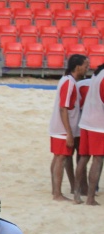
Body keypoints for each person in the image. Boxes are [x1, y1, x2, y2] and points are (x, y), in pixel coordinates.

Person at [48, 55, 89, 201]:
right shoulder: (69, 83)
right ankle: (57, 193)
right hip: (62, 128)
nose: (87, 68)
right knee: (61, 158)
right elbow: (63, 109)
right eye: (85, 65)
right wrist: (69, 133)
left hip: (59, 127)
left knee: (58, 158)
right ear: (77, 67)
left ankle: (55, 191)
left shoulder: (67, 81)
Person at [76, 64, 104, 206]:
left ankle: (77, 194)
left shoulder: (97, 73)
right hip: (99, 125)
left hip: (86, 120)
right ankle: (91, 198)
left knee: (83, 158)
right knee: (97, 160)